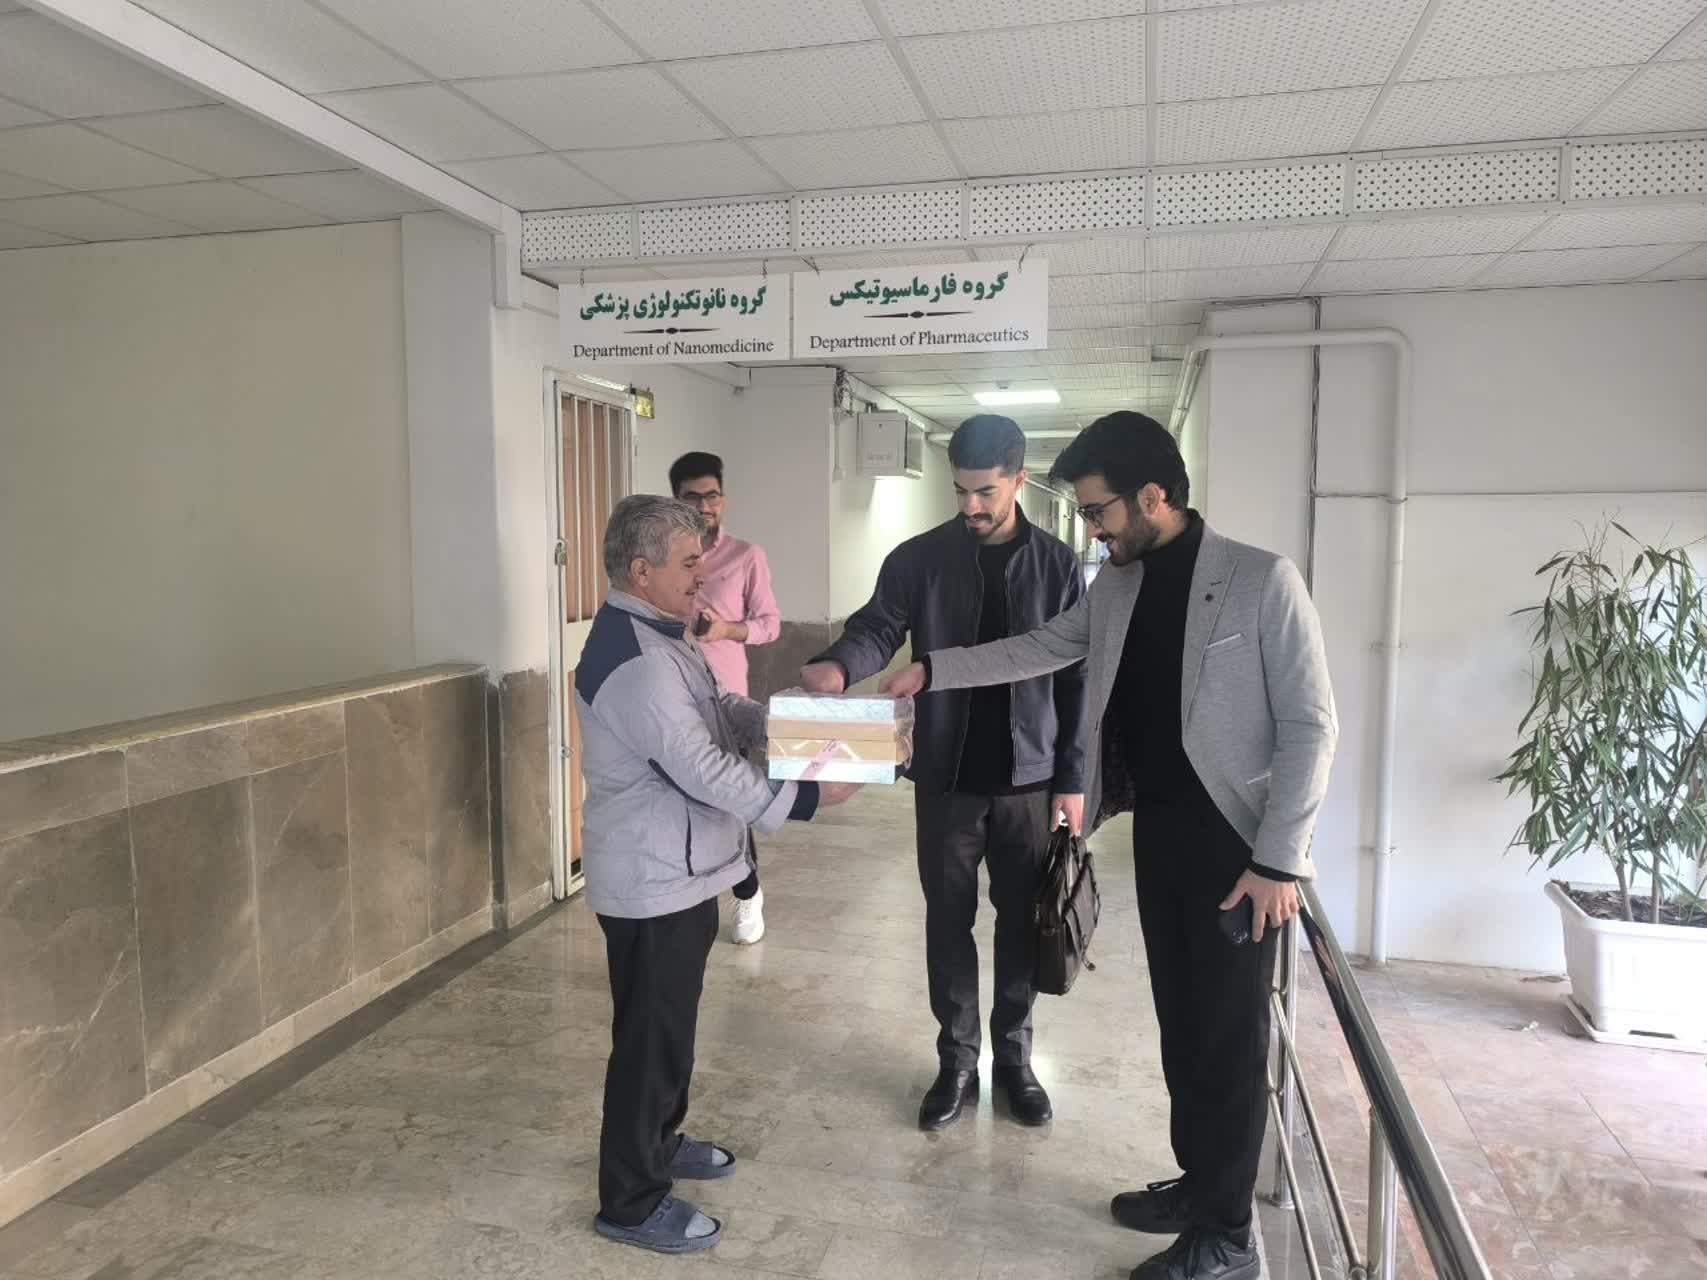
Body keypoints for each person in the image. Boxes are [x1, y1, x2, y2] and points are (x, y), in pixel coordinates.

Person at [881, 412, 1337, 1280]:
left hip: (1236, 854)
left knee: (1227, 1045)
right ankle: (1199, 1187)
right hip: (1159, 835)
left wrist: (1279, 859)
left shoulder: (1260, 580)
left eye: (1098, 511)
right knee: (1181, 1030)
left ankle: (1227, 1237)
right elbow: (1042, 647)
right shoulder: (1121, 583)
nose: (1091, 528)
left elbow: (1311, 727)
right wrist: (935, 670)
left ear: (1152, 496)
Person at [576, 495, 859, 1256]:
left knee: (671, 1029)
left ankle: (660, 1143)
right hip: (652, 881)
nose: (701, 576)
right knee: (648, 1041)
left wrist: (788, 729)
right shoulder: (634, 661)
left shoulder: (661, 632)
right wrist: (804, 797)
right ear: (642, 570)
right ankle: (630, 1202)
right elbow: (699, 766)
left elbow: (717, 709)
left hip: (684, 871)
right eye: (688, 563)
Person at [800, 415, 1088, 1132]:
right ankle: (956, 1061)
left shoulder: (1057, 566)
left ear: (1019, 480)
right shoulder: (919, 558)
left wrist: (1073, 777)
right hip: (946, 778)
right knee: (948, 922)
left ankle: (1014, 1060)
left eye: (985, 491)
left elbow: (1078, 678)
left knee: (1020, 925)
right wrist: (838, 665)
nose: (970, 506)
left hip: (1028, 779)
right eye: (960, 491)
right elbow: (877, 626)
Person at [669, 451, 782, 945]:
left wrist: (726, 629)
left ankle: (747, 892)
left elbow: (770, 625)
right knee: (679, 799)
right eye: (691, 497)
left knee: (731, 801)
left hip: (727, 701)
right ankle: (688, 894)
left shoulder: (745, 556)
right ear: (675, 500)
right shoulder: (662, 556)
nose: (703, 506)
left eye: (711, 495)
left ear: (724, 499)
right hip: (671, 696)